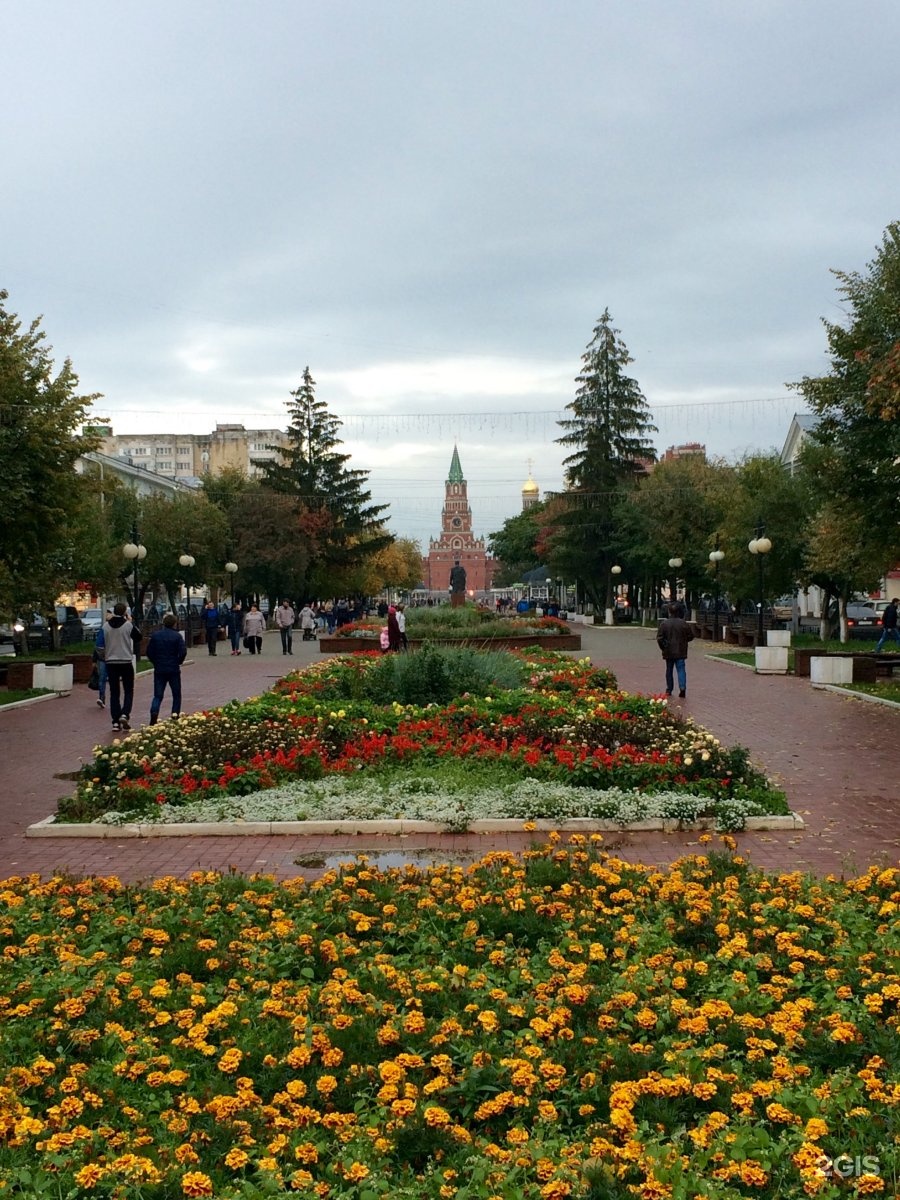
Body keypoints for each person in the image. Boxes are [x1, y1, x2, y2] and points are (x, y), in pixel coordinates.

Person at [103, 602, 142, 732]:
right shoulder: (128, 625)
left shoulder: (105, 626)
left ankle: (115, 721)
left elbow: (101, 643)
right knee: (128, 690)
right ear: (125, 612)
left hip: (111, 662)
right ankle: (125, 714)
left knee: (114, 693)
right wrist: (131, 621)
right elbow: (138, 637)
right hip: (125, 661)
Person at [146, 612, 187, 724]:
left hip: (159, 668)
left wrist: (155, 661)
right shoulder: (177, 636)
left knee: (158, 695)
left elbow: (149, 652)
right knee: (176, 694)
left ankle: (154, 714)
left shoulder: (156, 635)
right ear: (174, 624)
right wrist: (179, 661)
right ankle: (175, 715)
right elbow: (183, 652)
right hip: (173, 668)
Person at [656, 601, 694, 699]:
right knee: (681, 669)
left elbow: (660, 638)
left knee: (669, 670)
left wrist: (663, 647)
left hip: (668, 651)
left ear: (669, 612)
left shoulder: (664, 624)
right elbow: (691, 636)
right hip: (681, 651)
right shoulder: (683, 623)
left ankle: (669, 689)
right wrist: (684, 641)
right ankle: (682, 688)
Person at [91, 610, 113, 709]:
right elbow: (98, 645)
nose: (107, 615)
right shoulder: (104, 629)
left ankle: (104, 697)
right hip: (108, 657)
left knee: (103, 678)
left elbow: (98, 646)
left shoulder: (106, 629)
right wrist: (94, 659)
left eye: (108, 614)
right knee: (103, 678)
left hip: (105, 658)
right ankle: (102, 697)